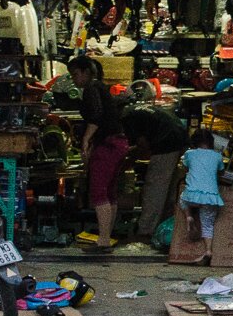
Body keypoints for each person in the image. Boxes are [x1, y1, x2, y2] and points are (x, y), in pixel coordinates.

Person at [70, 56, 128, 253]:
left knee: (98, 191)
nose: (74, 79)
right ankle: (106, 237)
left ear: (86, 72)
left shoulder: (92, 89)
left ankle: (103, 240)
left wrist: (86, 139)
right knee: (109, 191)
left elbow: (95, 115)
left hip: (108, 144)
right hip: (118, 142)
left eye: (75, 74)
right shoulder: (100, 87)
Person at [123, 104, 188, 242]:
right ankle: (164, 227)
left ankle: (146, 231)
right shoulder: (135, 111)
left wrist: (131, 159)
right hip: (178, 136)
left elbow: (142, 143)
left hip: (166, 141)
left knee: (155, 187)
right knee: (169, 188)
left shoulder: (127, 119)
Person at [180, 130, 226, 265]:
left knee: (182, 197)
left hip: (191, 197)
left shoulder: (189, 154)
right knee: (207, 225)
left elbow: (185, 168)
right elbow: (222, 173)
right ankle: (208, 251)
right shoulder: (217, 156)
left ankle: (188, 215)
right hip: (211, 198)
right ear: (211, 142)